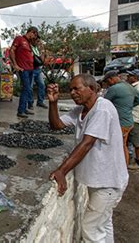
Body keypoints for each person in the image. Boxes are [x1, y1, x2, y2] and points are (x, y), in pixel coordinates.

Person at [47, 74, 128, 242]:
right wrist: (53, 102)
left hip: (108, 183)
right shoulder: (80, 110)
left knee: (91, 229)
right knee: (103, 225)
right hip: (100, 180)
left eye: (77, 88)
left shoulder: (102, 109)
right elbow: (56, 125)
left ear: (92, 88)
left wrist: (61, 171)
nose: (72, 93)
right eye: (70, 89)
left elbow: (87, 143)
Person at [102, 70, 139, 166]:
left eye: (108, 82)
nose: (108, 84)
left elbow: (103, 103)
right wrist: (127, 106)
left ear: (111, 79)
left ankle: (122, 166)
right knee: (123, 145)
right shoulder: (129, 86)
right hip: (129, 121)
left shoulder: (114, 88)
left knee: (120, 146)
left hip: (120, 123)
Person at [9, 27, 37, 118]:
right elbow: (12, 50)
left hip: (30, 69)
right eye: (34, 34)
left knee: (28, 89)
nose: (34, 36)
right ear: (31, 32)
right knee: (26, 89)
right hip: (23, 69)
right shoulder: (19, 39)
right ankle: (20, 111)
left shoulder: (29, 43)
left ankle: (24, 109)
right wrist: (15, 65)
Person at [28, 32, 47, 109]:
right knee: (30, 87)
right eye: (37, 41)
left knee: (42, 85)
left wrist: (42, 51)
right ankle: (30, 103)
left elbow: (42, 61)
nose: (38, 42)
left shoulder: (37, 49)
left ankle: (40, 101)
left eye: (39, 41)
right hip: (31, 69)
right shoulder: (29, 47)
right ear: (33, 40)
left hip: (37, 69)